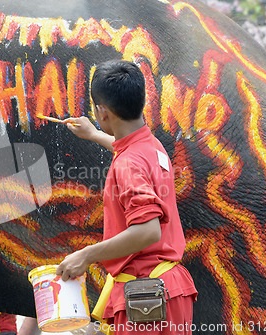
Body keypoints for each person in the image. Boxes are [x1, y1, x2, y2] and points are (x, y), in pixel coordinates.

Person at [56, 60, 197, 335]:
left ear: (102, 111)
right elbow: (129, 152)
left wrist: (86, 256)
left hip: (147, 301)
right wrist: (95, 134)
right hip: (170, 290)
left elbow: (147, 231)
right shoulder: (151, 146)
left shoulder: (129, 164)